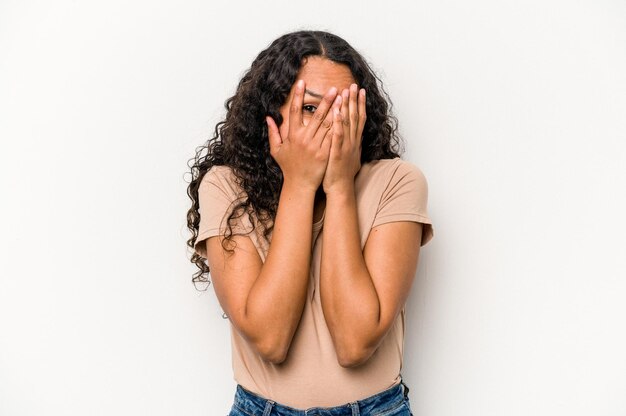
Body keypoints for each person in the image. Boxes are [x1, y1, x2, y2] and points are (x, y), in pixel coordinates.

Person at [186, 30, 434, 416]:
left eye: (343, 110)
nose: (329, 127)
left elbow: (355, 344)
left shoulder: (397, 181)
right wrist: (299, 185)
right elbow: (270, 340)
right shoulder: (226, 186)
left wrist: (339, 188)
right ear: (272, 114)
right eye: (309, 108)